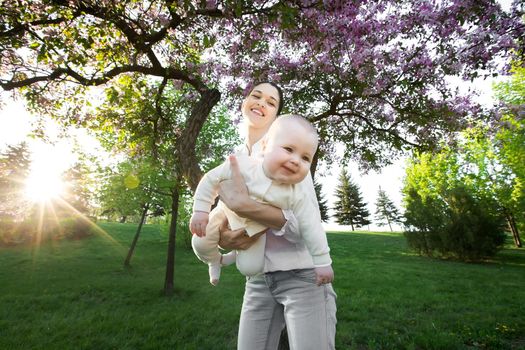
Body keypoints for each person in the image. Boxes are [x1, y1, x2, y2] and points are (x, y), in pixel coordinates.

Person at [199, 81, 336, 349]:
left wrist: (246, 206)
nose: (262, 103)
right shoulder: (238, 159)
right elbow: (227, 214)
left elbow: (304, 226)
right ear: (244, 102)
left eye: (271, 102)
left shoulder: (291, 153)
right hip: (258, 280)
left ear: (277, 118)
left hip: (301, 277)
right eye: (256, 96)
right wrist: (226, 237)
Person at [190, 114, 332, 286]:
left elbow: (312, 226)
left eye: (305, 158)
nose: (296, 160)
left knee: (249, 268)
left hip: (253, 228)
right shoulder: (244, 165)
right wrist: (201, 210)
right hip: (226, 212)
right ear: (265, 146)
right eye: (288, 149)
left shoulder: (296, 193)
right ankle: (215, 261)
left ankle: (232, 257)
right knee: (200, 243)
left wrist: (323, 262)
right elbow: (211, 179)